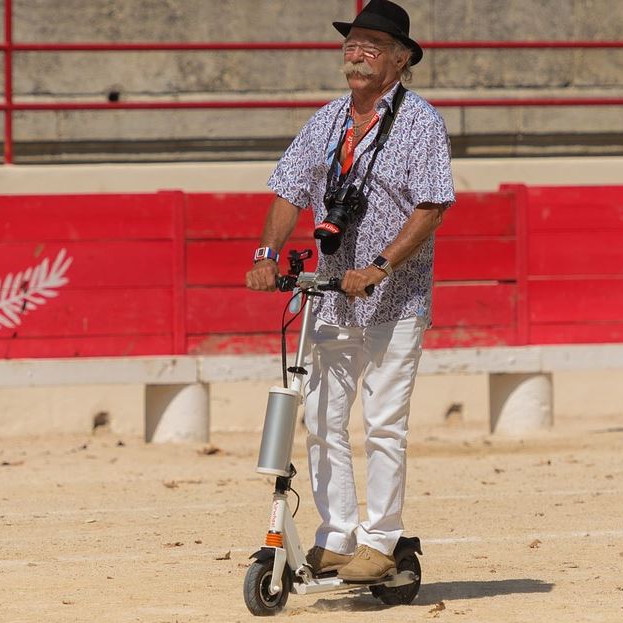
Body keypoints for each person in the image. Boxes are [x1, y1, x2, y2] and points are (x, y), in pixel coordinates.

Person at [245, 0, 454, 583]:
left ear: (401, 58)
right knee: (322, 417)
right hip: (332, 293)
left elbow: (432, 204)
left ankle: (382, 538)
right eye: (351, 44)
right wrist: (265, 254)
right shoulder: (329, 119)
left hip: (394, 297)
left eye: (372, 46)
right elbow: (290, 189)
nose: (356, 54)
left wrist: (381, 265)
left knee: (384, 423)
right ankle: (336, 534)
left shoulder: (420, 121)